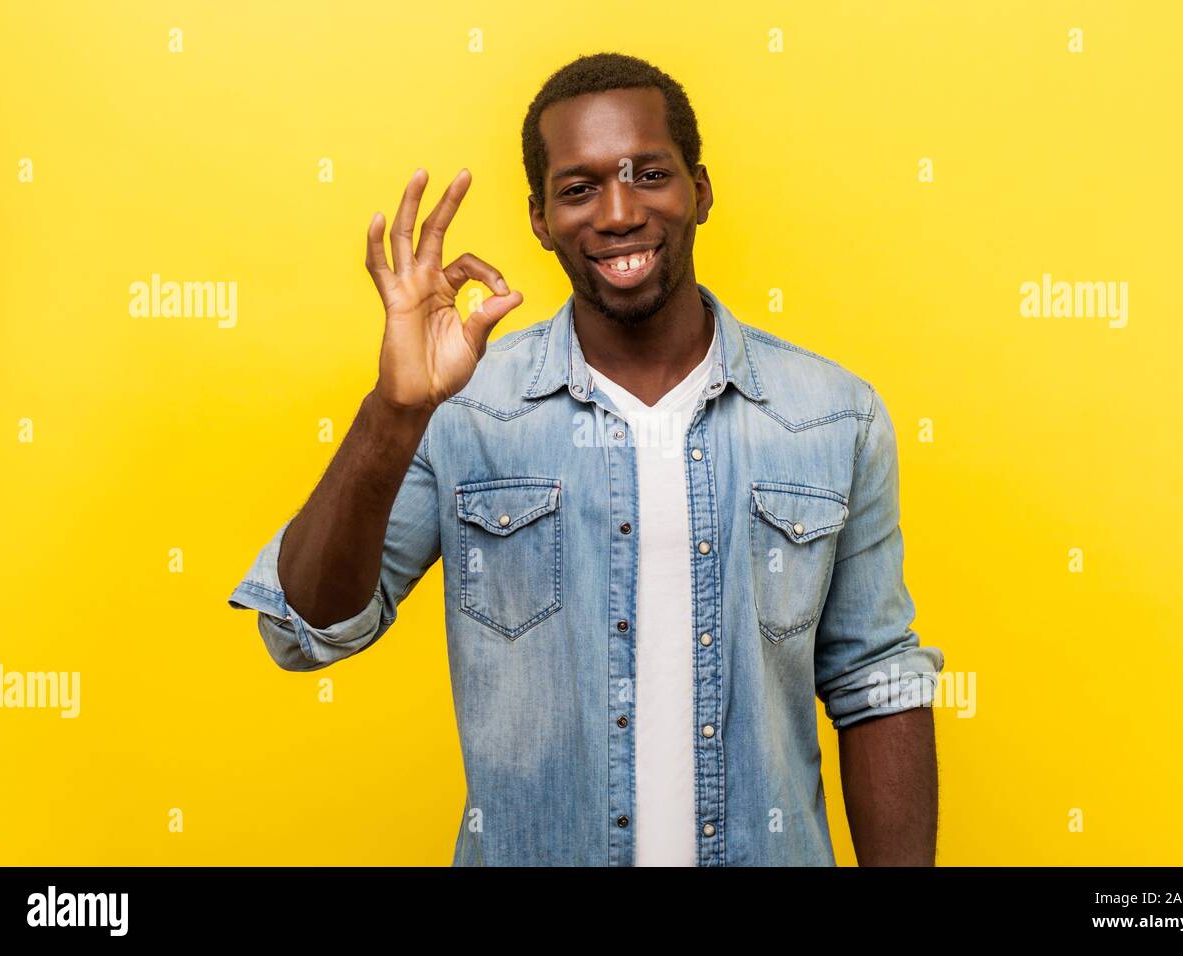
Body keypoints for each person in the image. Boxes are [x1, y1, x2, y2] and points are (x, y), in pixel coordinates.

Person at [228, 51, 944, 867]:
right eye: (580, 188)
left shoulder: (831, 415)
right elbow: (306, 631)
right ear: (539, 218)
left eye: (649, 174)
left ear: (700, 192)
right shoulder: (465, 410)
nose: (617, 212)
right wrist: (395, 412)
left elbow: (877, 685)